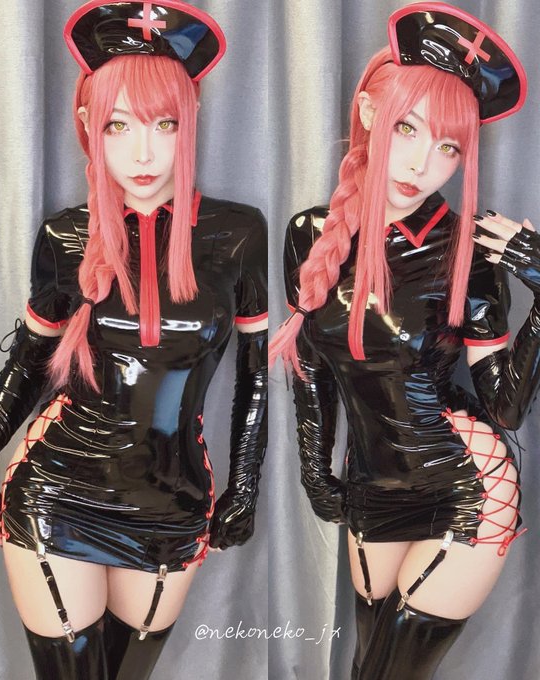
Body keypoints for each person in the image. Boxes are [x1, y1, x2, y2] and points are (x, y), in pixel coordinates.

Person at [0, 2, 268, 679]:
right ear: (89, 125)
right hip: (58, 487)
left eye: (163, 124)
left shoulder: (237, 234)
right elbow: (28, 364)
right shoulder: (65, 235)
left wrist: (246, 486)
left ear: (190, 121)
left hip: (173, 498)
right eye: (118, 126)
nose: (142, 152)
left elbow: (258, 375)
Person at [269, 3, 538, 679]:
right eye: (407, 129)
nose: (422, 163)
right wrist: (314, 471)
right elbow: (312, 366)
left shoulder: (466, 248)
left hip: (466, 484)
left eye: (449, 148)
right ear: (368, 112)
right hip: (373, 485)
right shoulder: (309, 233)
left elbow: (505, 407)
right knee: (366, 659)